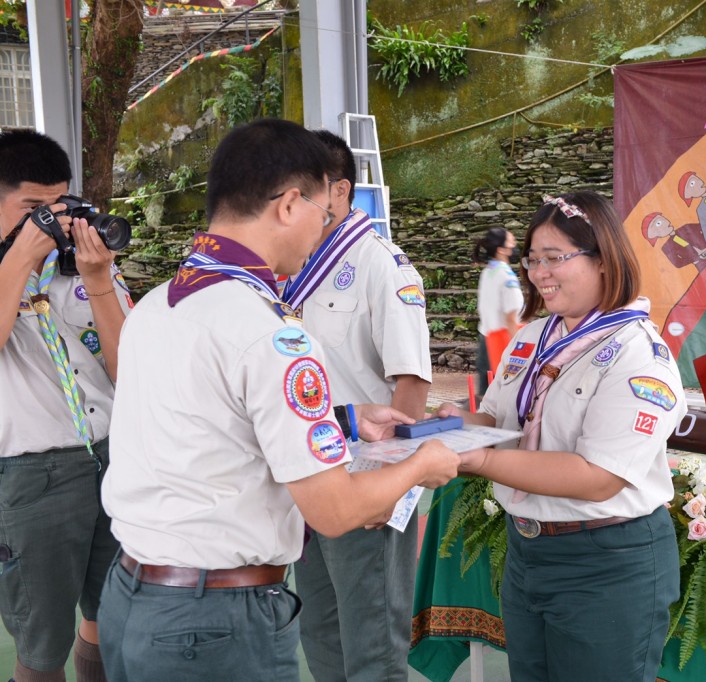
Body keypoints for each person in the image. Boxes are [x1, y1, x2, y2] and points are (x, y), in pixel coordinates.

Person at [97, 119, 460, 682]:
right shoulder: (270, 332)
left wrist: (344, 417)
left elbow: (212, 426)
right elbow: (333, 510)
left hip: (133, 595)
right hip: (215, 624)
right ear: (290, 204)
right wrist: (421, 466)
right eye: (320, 212)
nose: (323, 228)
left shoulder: (156, 304)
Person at [438, 191, 685, 681]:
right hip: (527, 552)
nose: (538, 273)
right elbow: (497, 421)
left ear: (603, 260)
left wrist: (477, 460)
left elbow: (597, 478)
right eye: (532, 259)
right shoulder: (531, 337)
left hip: (606, 562)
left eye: (554, 258)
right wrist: (441, 427)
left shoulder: (637, 355)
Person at [287, 130, 432, 682]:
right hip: (309, 478)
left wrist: (388, 488)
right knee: (320, 632)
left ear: (341, 191)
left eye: (304, 190)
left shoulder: (382, 266)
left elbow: (412, 385)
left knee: (371, 646)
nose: (291, 202)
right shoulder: (295, 265)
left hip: (363, 485)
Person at [0, 130, 131, 682]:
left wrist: (100, 280)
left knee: (112, 616)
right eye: (33, 208)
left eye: (58, 207)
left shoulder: (81, 266)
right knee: (42, 639)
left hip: (110, 456)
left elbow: (129, 372)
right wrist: (21, 258)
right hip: (34, 475)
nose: (48, 223)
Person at [473, 227, 522, 395]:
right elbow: (511, 317)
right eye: (511, 242)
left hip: (485, 338)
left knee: (485, 395)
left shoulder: (488, 272)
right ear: (502, 249)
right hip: (502, 342)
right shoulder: (507, 277)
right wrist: (518, 347)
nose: (515, 245)